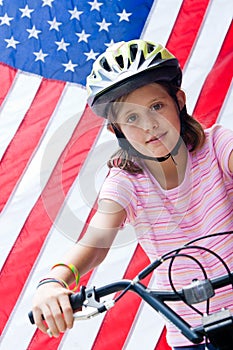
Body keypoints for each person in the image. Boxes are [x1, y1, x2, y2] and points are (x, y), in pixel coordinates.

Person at [32, 39, 233, 350]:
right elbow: (96, 242)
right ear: (117, 131)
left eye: (156, 106)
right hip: (191, 331)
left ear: (178, 101)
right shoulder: (126, 181)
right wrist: (53, 281)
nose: (149, 124)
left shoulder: (218, 144)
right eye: (132, 118)